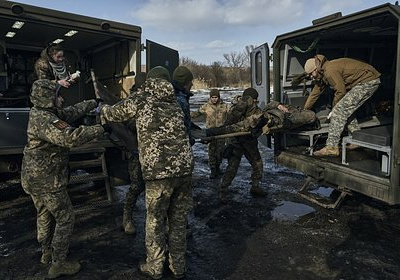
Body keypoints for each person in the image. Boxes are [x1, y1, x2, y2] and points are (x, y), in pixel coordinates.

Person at [100, 66, 194, 279]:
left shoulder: (141, 98)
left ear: (150, 81)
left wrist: (102, 108)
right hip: (184, 170)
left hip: (159, 173)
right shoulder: (176, 102)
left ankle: (155, 266)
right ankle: (178, 267)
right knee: (178, 221)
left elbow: (114, 114)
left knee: (155, 220)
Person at [20, 79, 106, 279]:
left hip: (34, 178)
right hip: (47, 180)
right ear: (48, 97)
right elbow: (70, 138)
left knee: (43, 213)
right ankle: (58, 263)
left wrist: (92, 102)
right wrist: (102, 129)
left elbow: (70, 112)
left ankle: (46, 252)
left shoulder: (45, 113)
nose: (61, 98)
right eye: (57, 95)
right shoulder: (44, 119)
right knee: (65, 218)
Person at [303, 54, 381, 157]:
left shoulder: (329, 70)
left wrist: (334, 109)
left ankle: (331, 148)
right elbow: (315, 93)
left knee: (339, 110)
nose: (311, 77)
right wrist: (304, 110)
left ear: (315, 69)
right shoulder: (322, 74)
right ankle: (357, 139)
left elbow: (340, 91)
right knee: (345, 110)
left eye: (311, 74)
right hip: (361, 82)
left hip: (368, 80)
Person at [218, 87, 268, 203]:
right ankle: (224, 190)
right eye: (255, 99)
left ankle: (253, 186)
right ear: (253, 99)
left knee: (249, 164)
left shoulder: (239, 106)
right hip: (241, 142)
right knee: (239, 165)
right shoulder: (246, 107)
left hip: (243, 141)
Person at [122, 72, 147, 235]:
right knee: (137, 185)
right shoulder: (130, 102)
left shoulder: (151, 100)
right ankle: (127, 217)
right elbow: (126, 124)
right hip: (136, 150)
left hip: (152, 151)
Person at [191, 89, 230, 178]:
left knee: (220, 151)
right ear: (210, 97)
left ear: (219, 97)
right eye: (212, 97)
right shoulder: (206, 106)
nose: (214, 99)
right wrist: (188, 115)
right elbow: (197, 113)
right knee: (211, 152)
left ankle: (218, 168)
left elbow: (233, 112)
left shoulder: (224, 106)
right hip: (210, 133)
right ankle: (213, 170)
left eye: (216, 97)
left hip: (221, 133)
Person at [172, 65, 196, 146]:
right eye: (190, 81)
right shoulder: (180, 100)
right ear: (185, 84)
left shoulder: (174, 95)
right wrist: (189, 139)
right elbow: (181, 125)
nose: (192, 84)